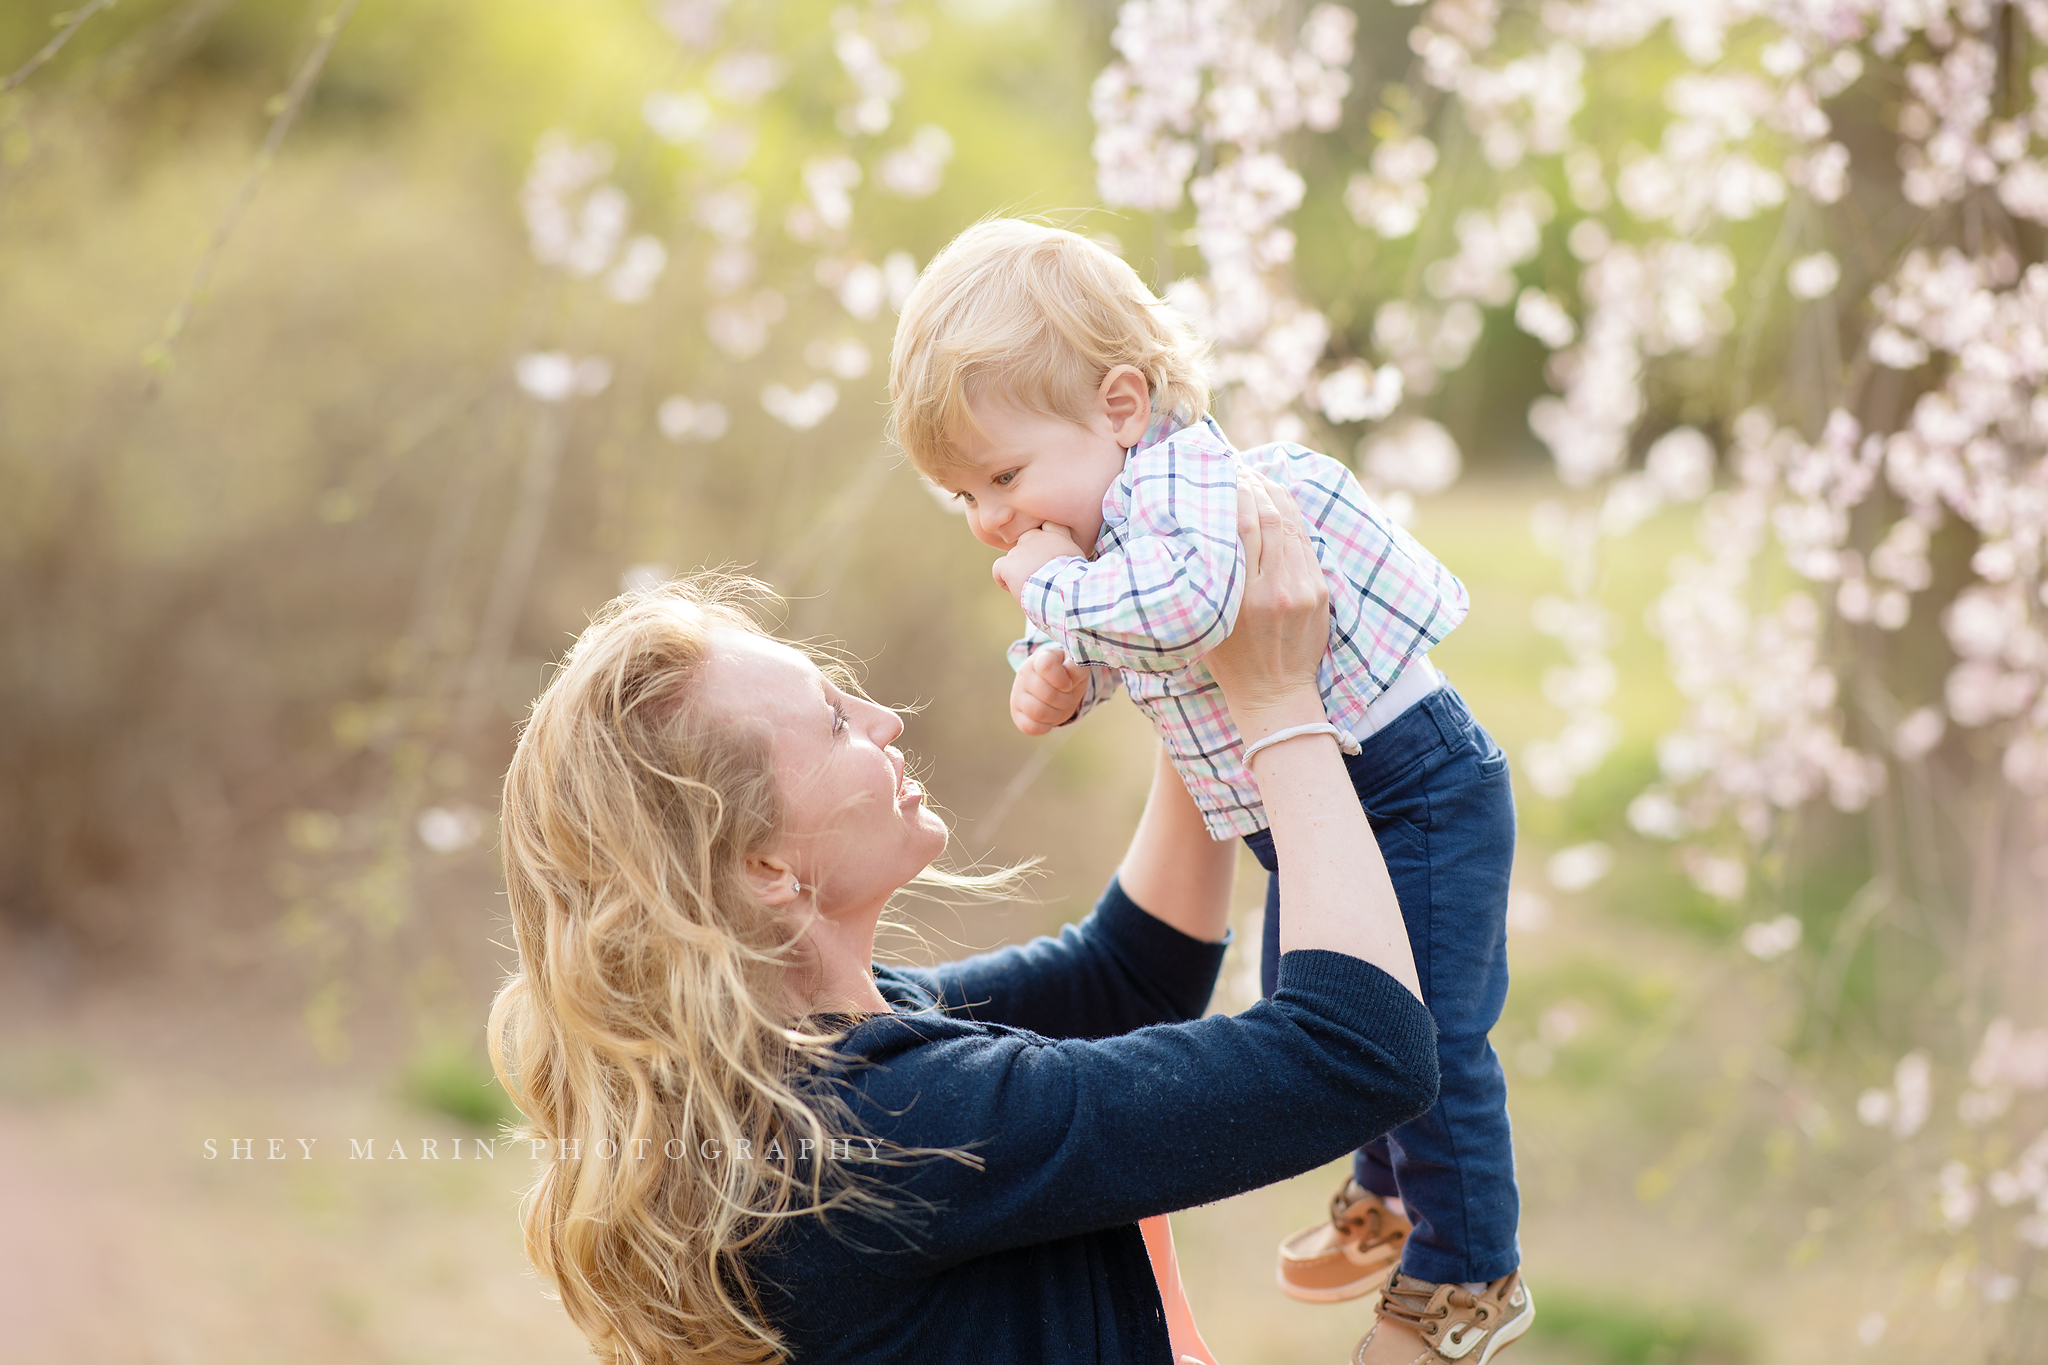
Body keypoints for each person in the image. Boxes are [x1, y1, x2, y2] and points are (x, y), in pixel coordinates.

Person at [490, 477, 1446, 1364]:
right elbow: (1358, 1049)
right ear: (764, 868)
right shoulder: (887, 1126)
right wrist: (1275, 700)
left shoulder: (807, 1062)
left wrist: (1187, 657)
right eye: (832, 721)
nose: (883, 719)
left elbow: (1129, 976)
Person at [888, 218, 1530, 1361]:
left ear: (1120, 409)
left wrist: (1054, 596)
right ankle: (1392, 1198)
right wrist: (1057, 670)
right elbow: (1134, 630)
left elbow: (1185, 610)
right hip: (1319, 801)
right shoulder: (1105, 527)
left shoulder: (1188, 487)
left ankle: (1467, 1267)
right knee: (1312, 984)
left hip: (1413, 785)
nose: (990, 519)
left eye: (1001, 476)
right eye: (961, 498)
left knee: (1429, 1033)